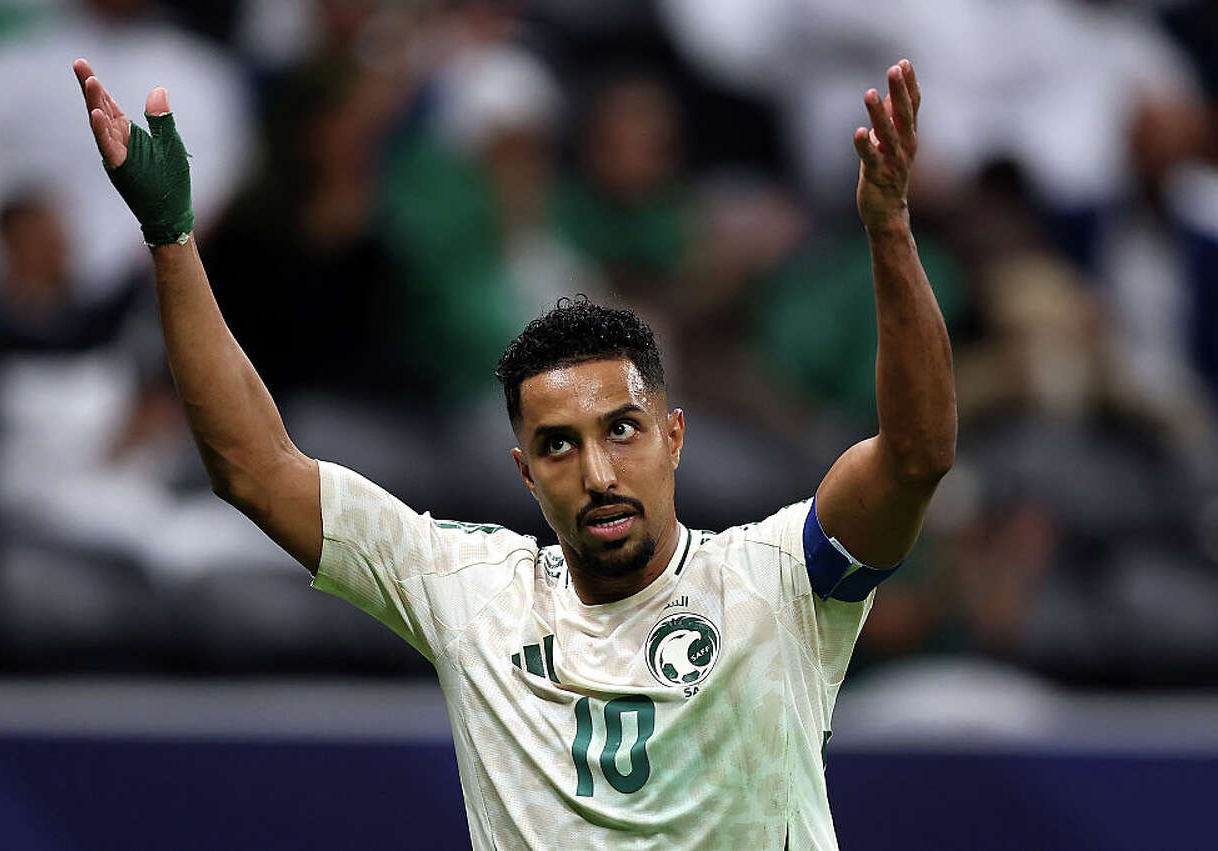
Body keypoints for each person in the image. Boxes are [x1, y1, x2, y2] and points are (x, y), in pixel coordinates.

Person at [73, 55, 954, 850]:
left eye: (622, 429)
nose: (598, 472)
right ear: (524, 470)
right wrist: (173, 242)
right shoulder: (472, 590)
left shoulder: (777, 579)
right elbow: (253, 468)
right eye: (559, 445)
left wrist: (887, 230)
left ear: (673, 436)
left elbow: (915, 456)